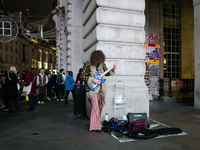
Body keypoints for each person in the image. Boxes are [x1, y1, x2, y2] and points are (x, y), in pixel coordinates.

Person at [80, 50, 117, 132]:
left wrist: (113, 69)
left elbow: (107, 73)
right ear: (94, 58)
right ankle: (95, 126)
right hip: (92, 89)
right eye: (98, 59)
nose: (99, 61)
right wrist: (92, 79)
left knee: (100, 106)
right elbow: (82, 76)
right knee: (95, 107)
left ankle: (96, 124)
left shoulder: (102, 64)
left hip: (101, 88)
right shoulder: (87, 64)